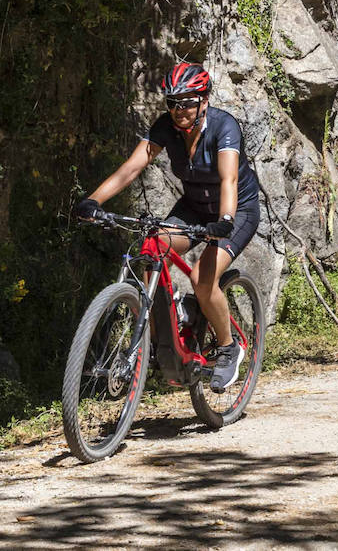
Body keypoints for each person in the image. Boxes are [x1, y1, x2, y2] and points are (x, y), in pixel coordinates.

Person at [73, 62, 260, 392]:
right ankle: (165, 325)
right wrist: (93, 200)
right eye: (172, 102)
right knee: (153, 246)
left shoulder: (224, 126)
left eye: (187, 102)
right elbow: (131, 168)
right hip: (194, 207)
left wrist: (225, 221)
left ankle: (229, 347)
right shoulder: (166, 127)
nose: (178, 110)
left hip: (236, 210)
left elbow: (229, 180)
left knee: (203, 278)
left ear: (204, 100)